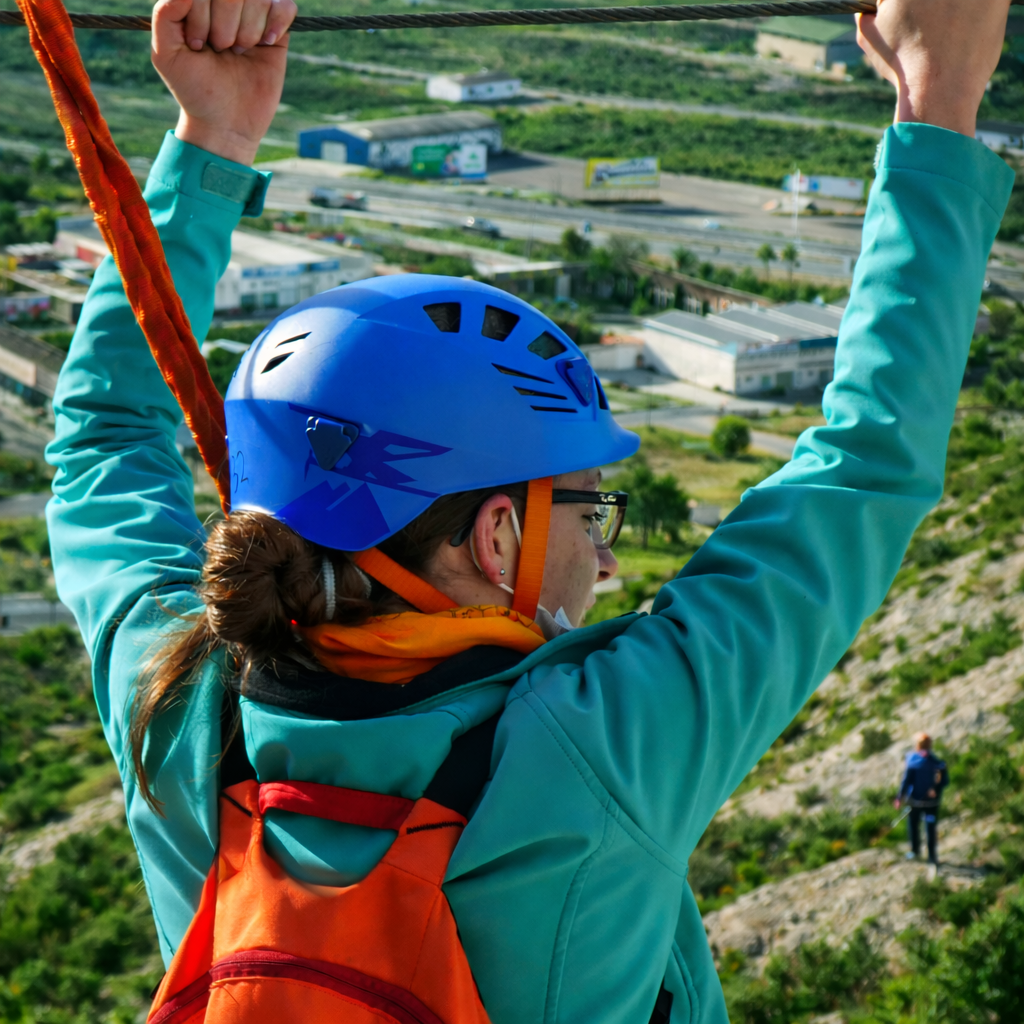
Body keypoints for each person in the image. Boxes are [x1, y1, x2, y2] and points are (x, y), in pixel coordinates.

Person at [45, 0, 1013, 1020]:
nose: (605, 562)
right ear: (495, 537)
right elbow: (863, 462)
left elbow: (103, 437)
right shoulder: (598, 742)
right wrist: (937, 98)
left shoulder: (173, 697)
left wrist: (211, 139)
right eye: (588, 514)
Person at [896, 732, 949, 866]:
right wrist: (935, 789)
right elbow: (944, 781)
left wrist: (899, 797)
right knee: (930, 827)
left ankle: (915, 851)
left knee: (914, 825)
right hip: (932, 803)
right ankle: (932, 856)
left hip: (916, 801)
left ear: (917, 745)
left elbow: (906, 781)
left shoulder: (912, 761)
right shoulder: (938, 763)